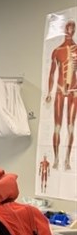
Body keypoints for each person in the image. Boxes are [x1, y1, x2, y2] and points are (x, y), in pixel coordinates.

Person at [45, 19, 76, 171]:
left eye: (72, 29)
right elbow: (52, 74)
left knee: (70, 127)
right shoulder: (57, 51)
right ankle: (56, 158)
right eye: (68, 29)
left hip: (74, 92)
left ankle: (67, 160)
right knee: (57, 127)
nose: (70, 32)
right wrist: (49, 92)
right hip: (59, 90)